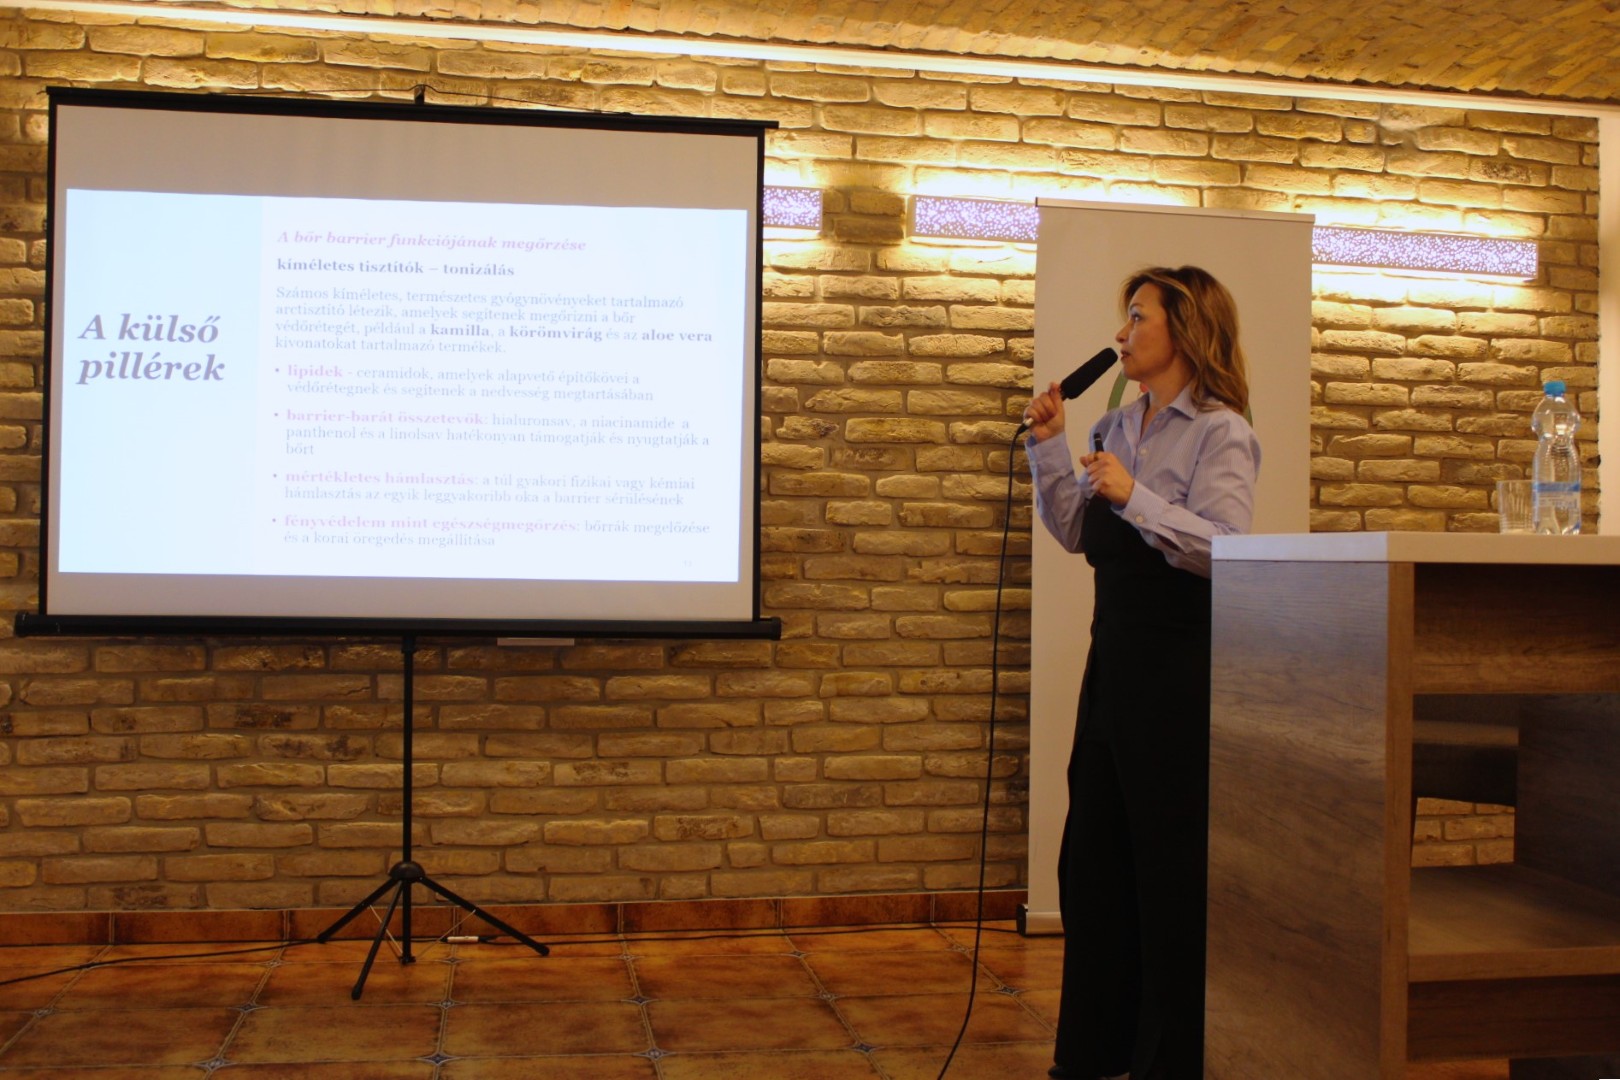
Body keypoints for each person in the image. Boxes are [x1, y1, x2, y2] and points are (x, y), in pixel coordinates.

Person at [1023, 265, 1260, 1080]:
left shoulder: (1222, 433)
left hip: (1176, 674)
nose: (1121, 334)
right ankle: (1096, 1053)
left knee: (1166, 870)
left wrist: (1135, 498)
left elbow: (1227, 552)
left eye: (1137, 317)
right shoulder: (1113, 425)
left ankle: (1169, 1061)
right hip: (1113, 663)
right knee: (1093, 861)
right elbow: (1073, 531)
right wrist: (1050, 447)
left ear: (1185, 330)